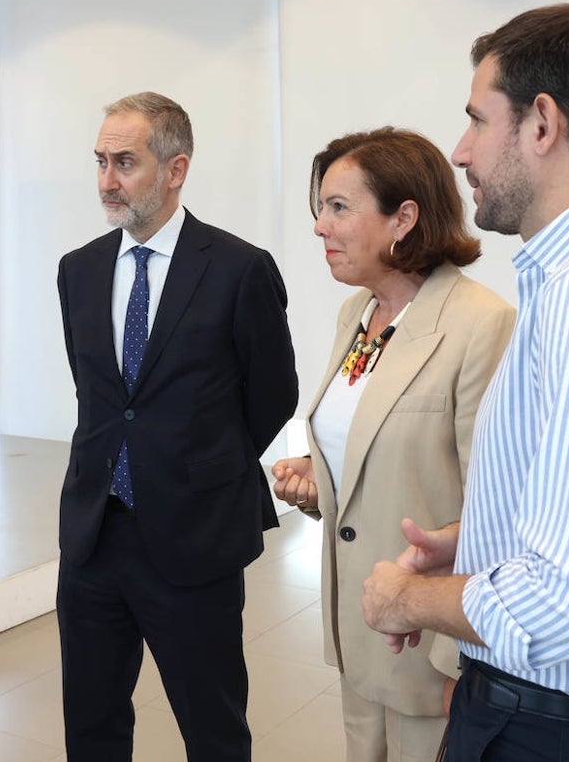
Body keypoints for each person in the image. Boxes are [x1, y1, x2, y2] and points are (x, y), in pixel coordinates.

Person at [361, 4, 569, 762]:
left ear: (542, 124)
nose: (461, 152)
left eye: (476, 120)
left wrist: (409, 599)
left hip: (557, 728)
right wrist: (482, 542)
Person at [56, 91, 298, 762]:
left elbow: (274, 394)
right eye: (101, 162)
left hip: (196, 536)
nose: (108, 181)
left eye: (125, 162)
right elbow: (97, 396)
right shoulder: (77, 271)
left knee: (212, 726)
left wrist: (200, 463)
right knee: (92, 724)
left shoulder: (239, 269)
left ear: (175, 168)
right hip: (94, 535)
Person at [271, 127, 514, 762]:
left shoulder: (479, 323)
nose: (321, 227)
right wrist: (315, 480)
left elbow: (494, 509)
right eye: (320, 208)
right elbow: (374, 452)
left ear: (403, 217)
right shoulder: (357, 313)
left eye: (339, 208)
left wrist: (455, 665)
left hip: (428, 644)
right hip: (359, 628)